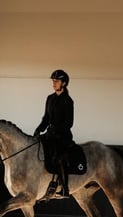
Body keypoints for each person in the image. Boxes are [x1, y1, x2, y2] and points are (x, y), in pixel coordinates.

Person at [34, 69, 74, 197]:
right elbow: (46, 118)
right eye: (53, 81)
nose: (54, 83)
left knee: (59, 155)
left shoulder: (68, 101)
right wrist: (39, 129)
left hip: (63, 136)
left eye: (56, 81)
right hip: (50, 134)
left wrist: (56, 131)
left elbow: (69, 123)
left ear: (64, 83)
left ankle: (64, 187)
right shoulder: (50, 98)